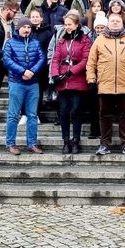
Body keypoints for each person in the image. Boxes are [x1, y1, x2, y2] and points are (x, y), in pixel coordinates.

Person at [86, 12, 125, 156]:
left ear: (122, 23)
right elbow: (91, 63)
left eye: (118, 21)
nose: (115, 23)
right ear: (108, 23)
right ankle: (105, 144)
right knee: (105, 115)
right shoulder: (99, 40)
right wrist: (91, 80)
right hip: (105, 85)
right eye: (112, 21)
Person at [2, 17, 46, 155]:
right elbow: (7, 59)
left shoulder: (35, 43)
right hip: (16, 82)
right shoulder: (10, 43)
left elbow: (42, 58)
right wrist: (22, 71)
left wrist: (32, 71)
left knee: (32, 115)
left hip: (33, 83)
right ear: (18, 28)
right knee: (13, 115)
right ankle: (10, 144)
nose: (27, 29)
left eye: (29, 27)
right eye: (24, 27)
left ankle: (32, 143)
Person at [50, 11, 92, 154]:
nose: (67, 27)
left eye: (69, 24)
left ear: (76, 25)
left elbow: (86, 59)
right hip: (62, 81)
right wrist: (55, 74)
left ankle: (75, 140)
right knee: (62, 112)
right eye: (65, 24)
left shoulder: (85, 39)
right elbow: (56, 58)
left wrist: (72, 71)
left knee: (75, 111)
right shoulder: (62, 39)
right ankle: (66, 141)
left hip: (77, 80)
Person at [86, 11, 109, 142]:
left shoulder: (109, 39)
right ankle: (94, 129)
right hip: (93, 74)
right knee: (93, 105)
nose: (100, 30)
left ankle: (103, 131)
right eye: (98, 28)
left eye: (102, 27)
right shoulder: (89, 38)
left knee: (104, 106)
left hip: (105, 75)